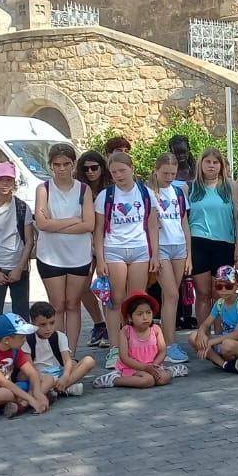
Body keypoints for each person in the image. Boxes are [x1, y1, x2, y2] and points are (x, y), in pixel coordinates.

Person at [94, 151, 161, 369]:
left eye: (122, 170)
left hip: (140, 249)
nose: (119, 176)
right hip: (114, 249)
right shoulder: (106, 196)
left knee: (135, 300)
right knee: (115, 299)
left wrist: (155, 254)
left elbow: (152, 226)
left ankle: (134, 347)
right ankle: (115, 348)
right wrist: (101, 259)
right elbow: (98, 230)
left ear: (131, 168)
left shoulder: (145, 193)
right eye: (114, 172)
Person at [35, 142, 95, 351]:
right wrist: (74, 220)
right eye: (57, 164)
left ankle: (71, 351)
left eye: (66, 164)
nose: (62, 169)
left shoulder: (83, 189)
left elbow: (89, 224)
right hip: (51, 255)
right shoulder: (44, 189)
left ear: (73, 164)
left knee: (73, 304)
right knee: (57, 305)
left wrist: (55, 225)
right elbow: (41, 224)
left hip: (79, 255)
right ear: (51, 165)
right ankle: (58, 352)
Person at [188, 147, 238, 329]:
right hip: (198, 243)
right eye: (208, 162)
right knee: (202, 293)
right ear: (201, 164)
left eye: (215, 162)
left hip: (224, 243)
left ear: (221, 165)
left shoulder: (231, 186)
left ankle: (219, 334)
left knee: (220, 292)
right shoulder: (191, 187)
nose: (211, 166)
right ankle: (203, 334)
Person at [145, 153, 192, 359]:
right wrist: (153, 253)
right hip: (161, 246)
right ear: (156, 170)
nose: (169, 177)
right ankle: (169, 344)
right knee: (172, 293)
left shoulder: (179, 192)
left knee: (171, 297)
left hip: (179, 246)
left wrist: (189, 254)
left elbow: (184, 223)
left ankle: (166, 341)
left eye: (173, 173)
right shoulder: (148, 193)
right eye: (165, 173)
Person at [0, 162, 35, 336]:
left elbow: (29, 240)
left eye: (9, 180)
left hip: (18, 267)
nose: (5, 184)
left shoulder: (21, 208)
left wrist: (20, 267)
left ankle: (24, 353)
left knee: (22, 315)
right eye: (1, 180)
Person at [93, 292, 185, 388]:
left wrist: (155, 364)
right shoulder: (125, 331)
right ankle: (114, 379)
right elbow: (124, 357)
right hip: (133, 367)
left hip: (153, 365)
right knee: (147, 381)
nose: (145, 317)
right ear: (130, 317)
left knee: (163, 378)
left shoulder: (156, 329)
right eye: (139, 314)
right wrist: (145, 367)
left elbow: (162, 351)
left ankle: (170, 371)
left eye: (148, 313)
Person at [76, 149, 113, 348]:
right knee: (82, 286)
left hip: (109, 242)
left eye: (94, 167)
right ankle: (100, 323)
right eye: (86, 168)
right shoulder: (79, 190)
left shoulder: (111, 189)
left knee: (109, 286)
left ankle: (113, 325)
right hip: (84, 242)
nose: (90, 172)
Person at [190, 267, 238, 372]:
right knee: (193, 337)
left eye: (228, 286)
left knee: (227, 345)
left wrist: (210, 342)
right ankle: (224, 364)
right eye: (219, 286)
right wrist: (201, 335)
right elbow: (205, 324)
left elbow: (237, 334)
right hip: (224, 340)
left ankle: (234, 359)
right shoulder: (219, 303)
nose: (223, 290)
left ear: (236, 285)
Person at [26, 301, 95, 396]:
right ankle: (64, 388)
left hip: (59, 371)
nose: (48, 328)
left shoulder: (60, 336)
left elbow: (67, 360)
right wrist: (42, 377)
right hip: (41, 375)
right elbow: (29, 367)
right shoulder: (27, 340)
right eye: (43, 325)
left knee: (89, 361)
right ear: (33, 323)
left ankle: (59, 388)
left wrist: (65, 377)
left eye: (52, 323)